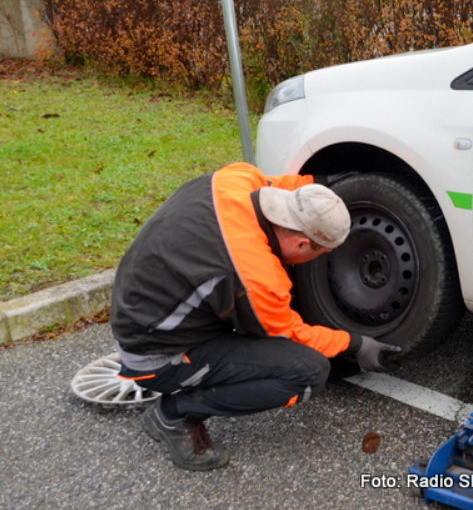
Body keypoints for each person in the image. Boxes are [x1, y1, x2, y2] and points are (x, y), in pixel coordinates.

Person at [111, 162, 400, 471]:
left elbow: (284, 186)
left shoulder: (235, 178)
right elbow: (290, 334)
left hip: (142, 308)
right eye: (321, 253)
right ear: (303, 243)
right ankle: (174, 414)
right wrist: (355, 344)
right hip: (157, 354)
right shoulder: (257, 278)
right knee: (308, 372)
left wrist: (325, 183)